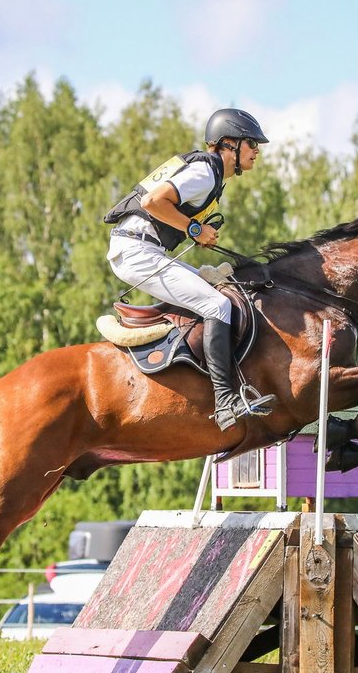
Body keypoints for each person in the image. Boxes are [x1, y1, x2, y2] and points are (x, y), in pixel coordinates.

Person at [104, 108, 277, 431]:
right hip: (137, 251)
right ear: (229, 143)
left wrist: (192, 229)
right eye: (252, 143)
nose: (257, 151)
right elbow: (153, 202)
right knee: (217, 305)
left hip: (143, 248)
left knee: (213, 283)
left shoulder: (210, 174)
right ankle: (224, 402)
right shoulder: (205, 172)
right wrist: (194, 229)